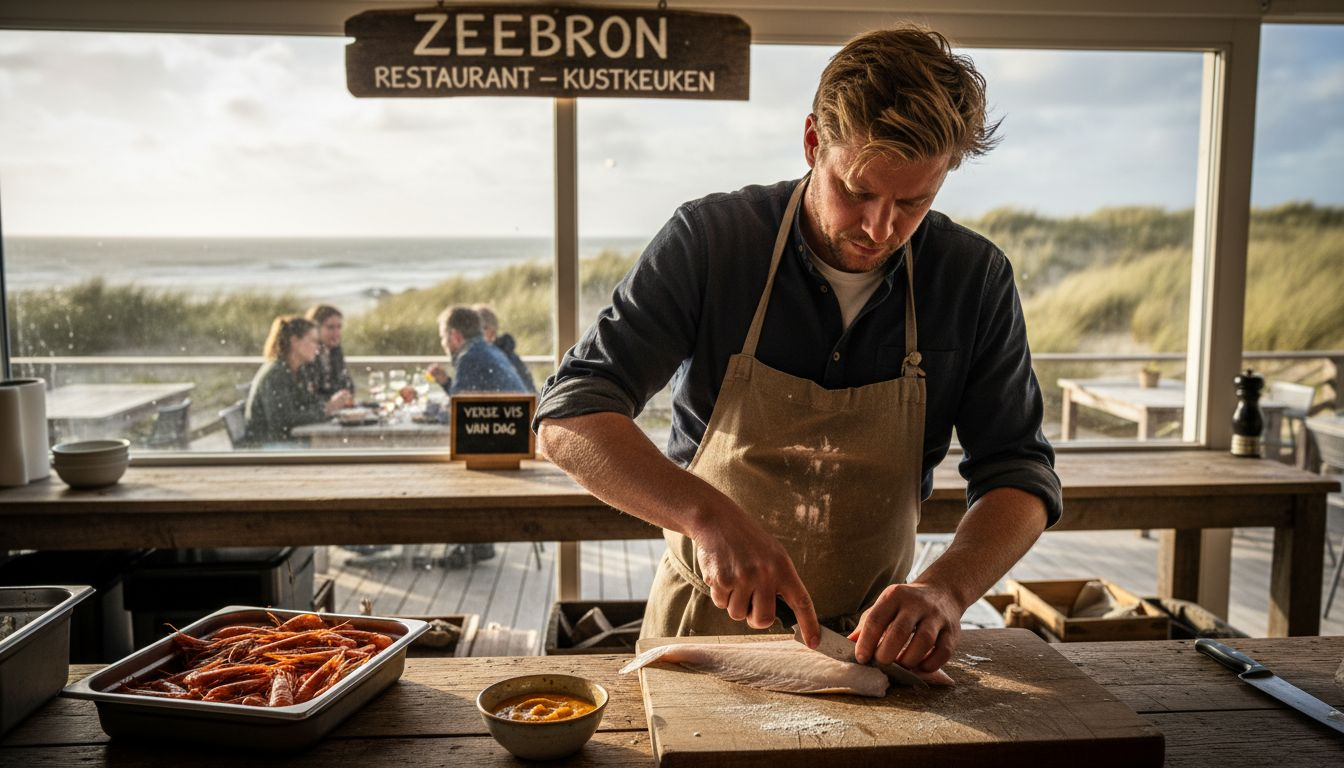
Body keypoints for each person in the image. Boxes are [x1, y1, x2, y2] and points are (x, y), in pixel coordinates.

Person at [534, 24, 1061, 678]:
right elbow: (570, 415)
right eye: (857, 191)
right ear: (814, 142)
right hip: (703, 633)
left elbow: (1019, 473)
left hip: (875, 648)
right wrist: (707, 516)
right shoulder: (712, 242)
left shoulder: (973, 279)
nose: (879, 228)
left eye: (913, 202)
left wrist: (946, 590)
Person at [244, 315, 353, 445]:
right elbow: (283, 421)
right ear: (295, 341)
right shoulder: (277, 373)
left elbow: (307, 403)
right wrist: (326, 410)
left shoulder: (297, 370)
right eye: (313, 341)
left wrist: (331, 404)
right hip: (267, 446)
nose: (318, 348)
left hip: (284, 441)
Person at [428, 305, 529, 395]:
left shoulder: (469, 358)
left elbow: (459, 405)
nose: (443, 343)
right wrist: (446, 383)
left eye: (443, 337)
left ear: (456, 337)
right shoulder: (494, 351)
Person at [474, 303, 537, 393]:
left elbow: (529, 390)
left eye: (483, 328)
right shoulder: (472, 357)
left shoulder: (507, 358)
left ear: (493, 330)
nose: (476, 334)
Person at [302, 304, 355, 399]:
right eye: (330, 327)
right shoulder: (307, 355)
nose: (336, 333)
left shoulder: (335, 351)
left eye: (339, 327)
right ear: (315, 329)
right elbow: (309, 395)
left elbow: (348, 386)